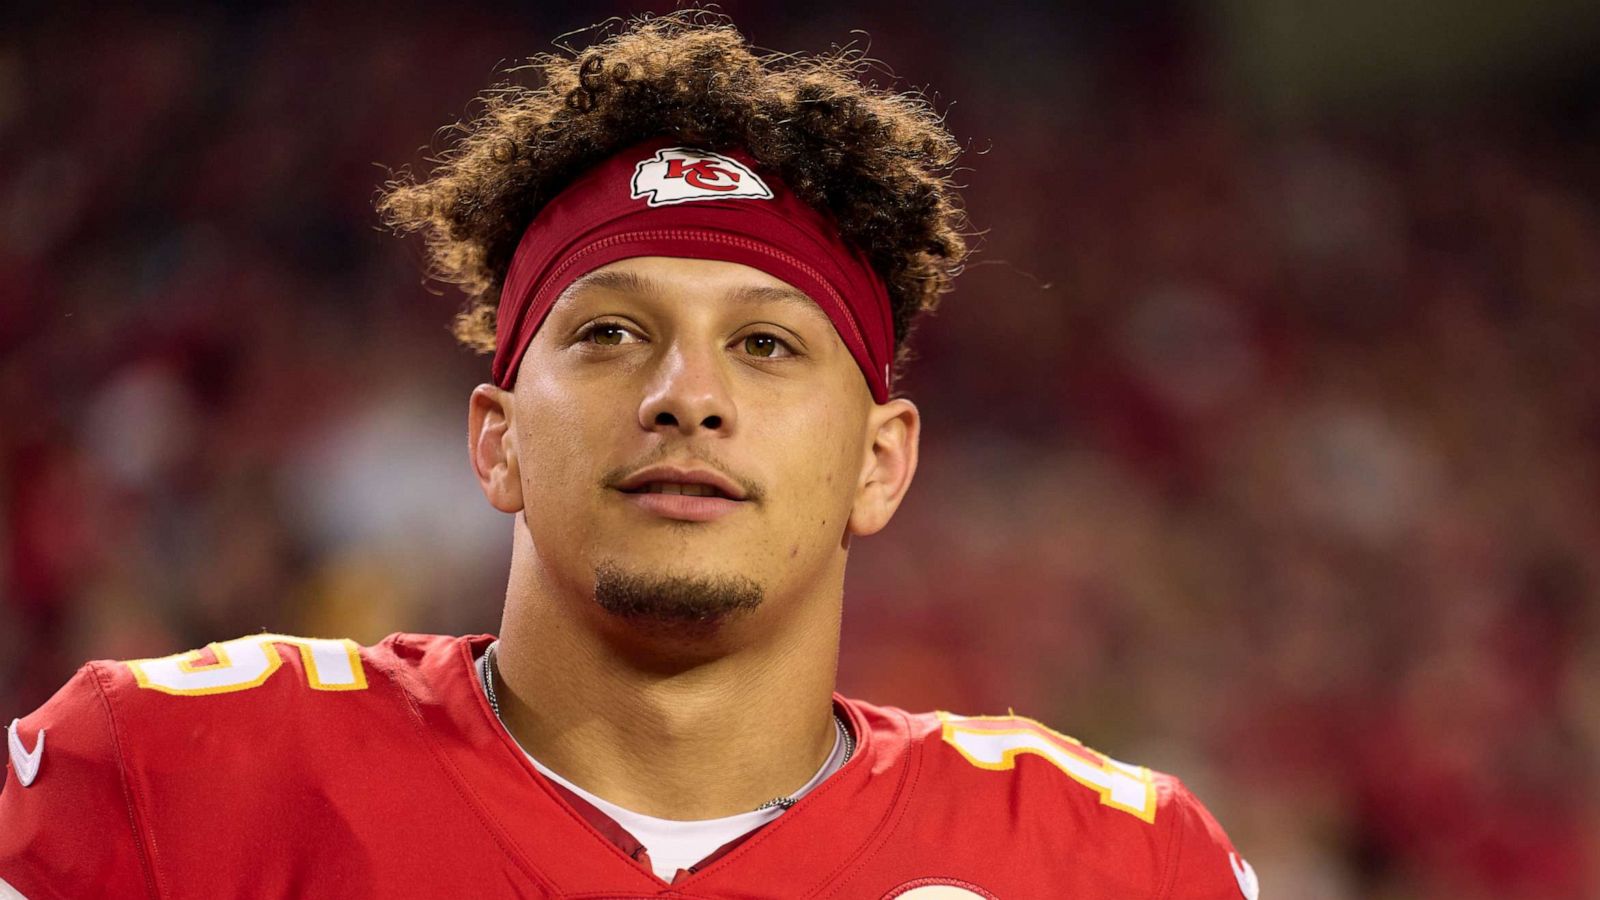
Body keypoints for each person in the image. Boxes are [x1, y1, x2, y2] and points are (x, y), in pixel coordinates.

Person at [0, 12, 1257, 899]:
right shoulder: (167, 780)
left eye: (766, 346)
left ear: (882, 463)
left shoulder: (1114, 866)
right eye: (610, 332)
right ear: (493, 439)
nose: (684, 397)